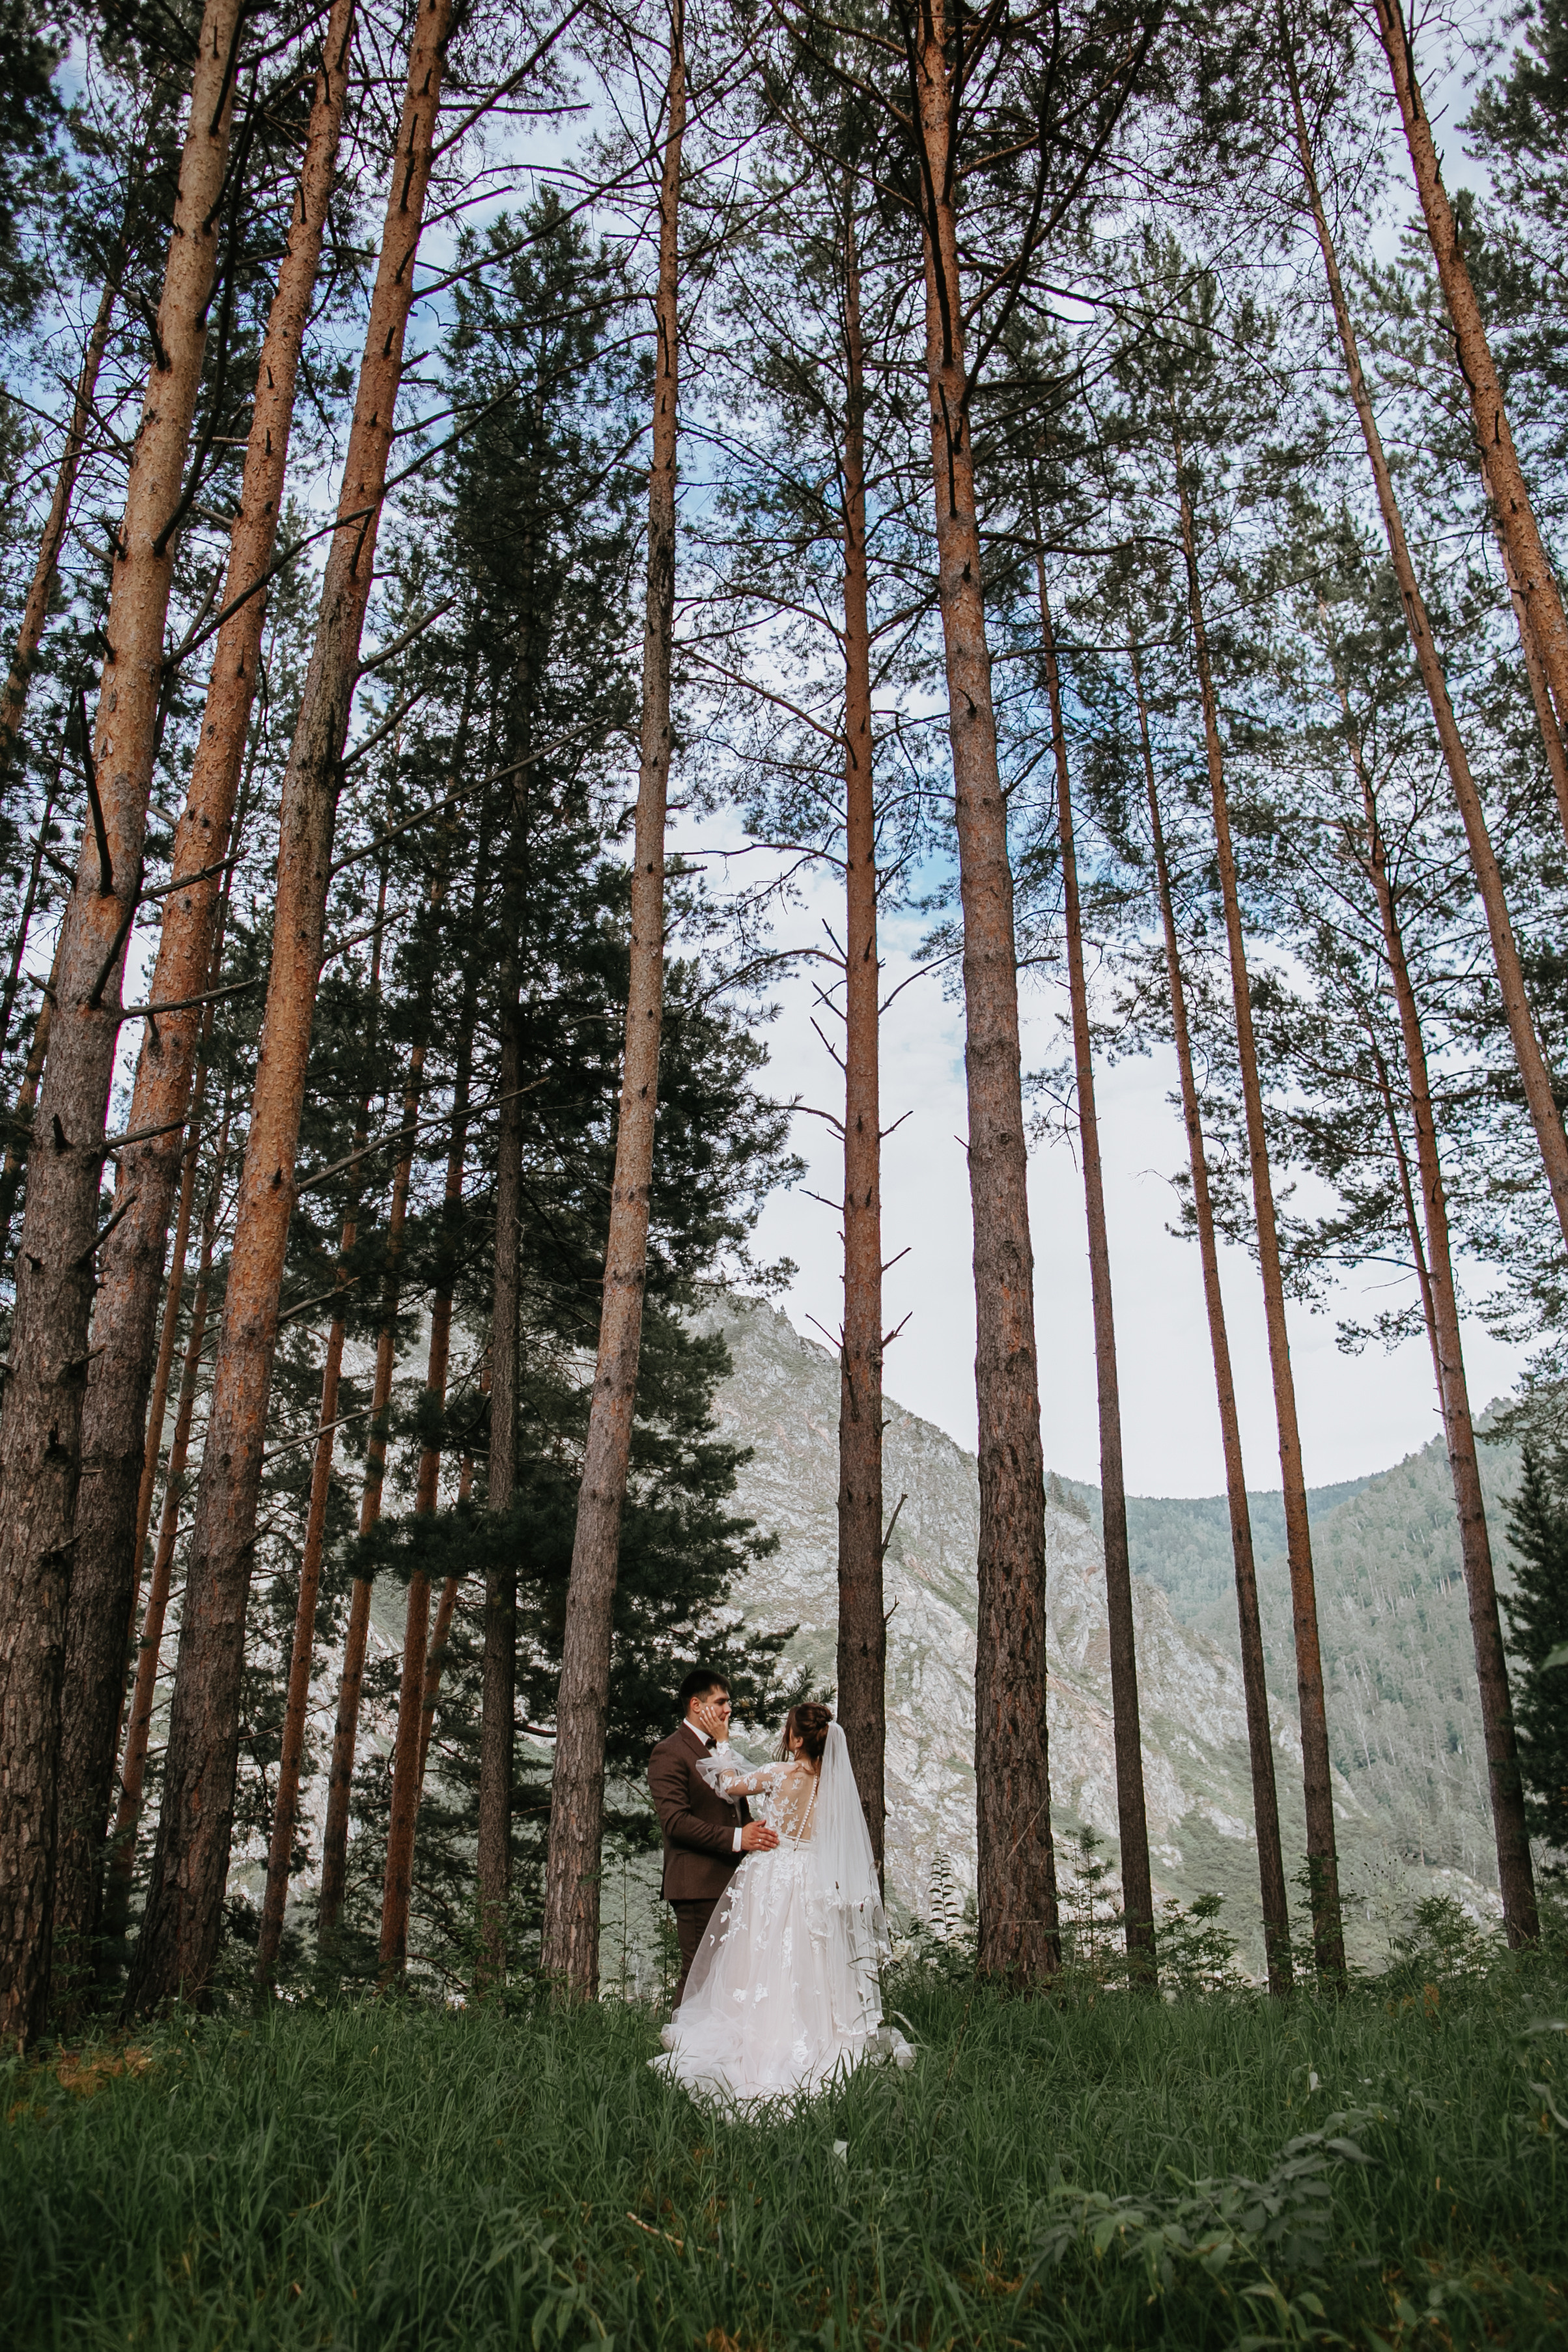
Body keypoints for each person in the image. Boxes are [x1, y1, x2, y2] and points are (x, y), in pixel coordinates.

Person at [652, 1701, 912, 2107]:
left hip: (772, 1875)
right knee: (811, 1959)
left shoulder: (779, 1774)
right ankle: (816, 2034)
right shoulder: (836, 1787)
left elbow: (728, 1785)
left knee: (761, 1958)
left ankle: (762, 2037)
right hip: (814, 1879)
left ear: (795, 1738)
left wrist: (721, 1744)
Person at [649, 1668, 779, 2008]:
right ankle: (679, 2054)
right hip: (698, 1883)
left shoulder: (721, 1751)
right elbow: (676, 1823)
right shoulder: (669, 1752)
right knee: (699, 1974)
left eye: (729, 1703)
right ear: (696, 1705)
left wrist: (758, 1833)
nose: (728, 1710)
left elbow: (736, 1807)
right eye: (720, 1702)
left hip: (734, 1880)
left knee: (729, 1976)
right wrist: (739, 1838)